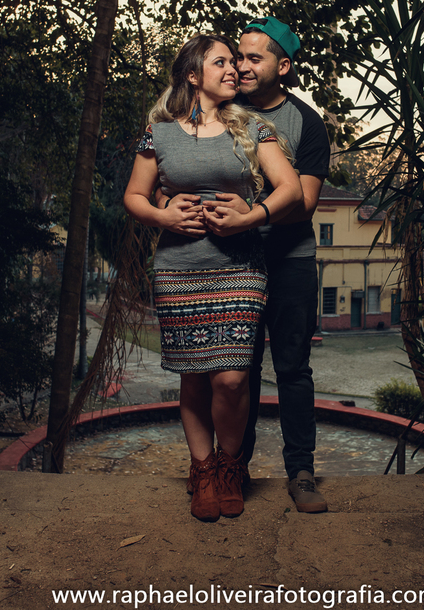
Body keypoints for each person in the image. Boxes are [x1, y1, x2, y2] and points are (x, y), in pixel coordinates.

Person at [123, 33, 301, 522]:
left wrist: (250, 217)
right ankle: (202, 471)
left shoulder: (254, 128)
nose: (233, 69)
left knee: (232, 378)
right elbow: (134, 196)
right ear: (193, 75)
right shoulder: (158, 133)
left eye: (233, 62)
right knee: (195, 376)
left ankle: (229, 466)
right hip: (179, 270)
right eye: (220, 62)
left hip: (239, 268)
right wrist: (163, 216)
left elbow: (289, 189)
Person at [201, 17, 332, 513]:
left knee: (293, 369)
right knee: (239, 370)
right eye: (239, 56)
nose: (242, 65)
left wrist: (250, 213)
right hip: (230, 262)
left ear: (283, 66)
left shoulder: (306, 123)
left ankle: (301, 473)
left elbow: (306, 203)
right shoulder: (219, 112)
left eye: (255, 57)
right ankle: (233, 470)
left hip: (290, 260)